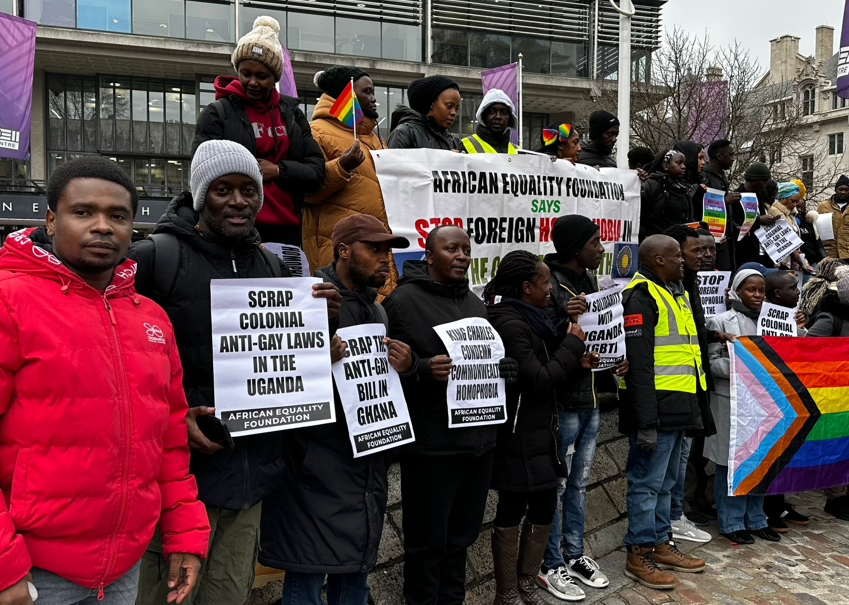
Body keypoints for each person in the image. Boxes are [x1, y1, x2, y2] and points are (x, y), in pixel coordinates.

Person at [130, 140, 342, 605]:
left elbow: (282, 361)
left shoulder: (272, 265)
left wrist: (315, 334)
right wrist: (170, 420)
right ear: (201, 195)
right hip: (178, 484)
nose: (238, 200)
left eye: (249, 189)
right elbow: (113, 359)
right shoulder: (153, 258)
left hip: (250, 483)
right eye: (223, 189)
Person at [0, 157, 210, 605]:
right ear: (51, 220)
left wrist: (185, 532)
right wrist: (4, 565)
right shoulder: (9, 301)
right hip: (32, 574)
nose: (102, 226)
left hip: (122, 569)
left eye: (118, 216)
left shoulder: (151, 318)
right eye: (83, 212)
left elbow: (170, 441)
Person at [259, 214, 413, 605]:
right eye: (374, 249)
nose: (385, 260)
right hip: (314, 471)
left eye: (388, 252)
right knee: (307, 583)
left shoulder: (377, 311)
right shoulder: (306, 300)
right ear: (344, 250)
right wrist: (314, 364)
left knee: (354, 582)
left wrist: (407, 367)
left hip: (363, 469)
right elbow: (274, 384)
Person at [382, 225, 516, 605]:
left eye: (466, 250)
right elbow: (382, 374)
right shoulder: (403, 303)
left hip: (478, 447)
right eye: (451, 249)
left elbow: (483, 363)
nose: (461, 256)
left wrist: (505, 371)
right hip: (433, 449)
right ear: (429, 256)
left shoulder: (475, 303)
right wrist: (420, 368)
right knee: (427, 546)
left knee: (461, 541)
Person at [485, 251, 592, 605]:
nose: (551, 290)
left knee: (545, 504)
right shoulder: (509, 322)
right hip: (516, 433)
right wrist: (573, 344)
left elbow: (550, 366)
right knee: (513, 507)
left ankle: (527, 583)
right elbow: (540, 378)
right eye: (545, 283)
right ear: (527, 287)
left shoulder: (536, 318)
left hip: (540, 431)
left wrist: (575, 358)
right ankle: (507, 592)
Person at [538, 216, 626, 601]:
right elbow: (538, 339)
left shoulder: (590, 282)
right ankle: (550, 562)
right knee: (558, 485)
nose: (602, 250)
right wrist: (563, 318)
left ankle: (574, 554)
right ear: (575, 247)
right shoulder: (550, 285)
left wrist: (614, 361)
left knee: (579, 482)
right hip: (565, 403)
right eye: (594, 243)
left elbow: (600, 336)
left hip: (590, 400)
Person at [619, 235, 706, 590]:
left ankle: (660, 541)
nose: (683, 262)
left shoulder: (676, 292)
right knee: (646, 484)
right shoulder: (640, 296)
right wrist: (646, 423)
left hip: (680, 406)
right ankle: (638, 552)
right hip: (655, 410)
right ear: (657, 260)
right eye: (676, 257)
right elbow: (639, 366)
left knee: (667, 483)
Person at [192, 16, 324, 247]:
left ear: (275, 77)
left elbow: (316, 171)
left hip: (288, 229)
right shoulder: (217, 112)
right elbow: (201, 172)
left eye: (261, 76)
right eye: (246, 73)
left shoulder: (293, 115)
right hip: (235, 226)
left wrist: (278, 170)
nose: (252, 82)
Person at [303, 65, 399, 297]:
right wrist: (341, 166)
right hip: (338, 254)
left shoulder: (376, 139)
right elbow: (307, 191)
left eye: (373, 92)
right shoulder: (316, 132)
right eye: (367, 92)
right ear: (347, 95)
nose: (374, 99)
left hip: (376, 251)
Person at [704, 269, 782, 545]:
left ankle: (757, 518)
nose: (757, 295)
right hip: (731, 401)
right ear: (736, 291)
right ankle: (731, 521)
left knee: (761, 460)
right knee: (731, 463)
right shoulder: (720, 321)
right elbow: (711, 364)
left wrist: (801, 324)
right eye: (751, 290)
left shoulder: (775, 320)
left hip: (766, 404)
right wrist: (744, 368)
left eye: (761, 290)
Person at [662, 225, 714, 546]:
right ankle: (665, 523)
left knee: (682, 458)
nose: (701, 256)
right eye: (695, 251)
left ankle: (675, 514)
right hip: (670, 391)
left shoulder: (688, 286)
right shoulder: (662, 290)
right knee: (664, 468)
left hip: (692, 382)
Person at [804, 271, 849, 521]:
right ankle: (836, 497)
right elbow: (810, 351)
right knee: (838, 447)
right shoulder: (831, 319)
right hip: (836, 395)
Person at [387, 76, 461, 150]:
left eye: (456, 108)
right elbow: (392, 161)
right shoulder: (404, 134)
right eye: (449, 106)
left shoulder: (455, 142)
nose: (454, 113)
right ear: (431, 103)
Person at [639, 150, 696, 239]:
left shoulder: (684, 188)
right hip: (659, 243)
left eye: (684, 164)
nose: (683, 167)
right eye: (679, 163)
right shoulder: (652, 184)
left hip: (681, 243)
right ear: (666, 166)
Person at [701, 139, 739, 271]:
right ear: (719, 156)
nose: (733, 159)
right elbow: (703, 207)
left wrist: (735, 226)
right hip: (712, 241)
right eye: (731, 155)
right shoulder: (704, 175)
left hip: (725, 240)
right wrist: (725, 201)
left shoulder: (722, 176)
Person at [732, 162, 775, 268]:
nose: (765, 184)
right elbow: (735, 223)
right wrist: (758, 221)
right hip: (746, 252)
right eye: (764, 181)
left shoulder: (760, 195)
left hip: (763, 250)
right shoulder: (736, 196)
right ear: (755, 180)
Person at [461, 89, 517, 154]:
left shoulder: (518, 152)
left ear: (510, 118)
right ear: (483, 115)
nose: (498, 116)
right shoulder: (464, 146)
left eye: (504, 112)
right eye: (492, 111)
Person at [766, 182, 807, 271]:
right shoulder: (774, 212)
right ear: (782, 198)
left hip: (791, 260)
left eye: (796, 201)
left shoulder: (791, 214)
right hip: (779, 261)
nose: (795, 205)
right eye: (792, 201)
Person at [816, 175, 849, 259]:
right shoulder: (823, 206)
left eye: (846, 190)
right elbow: (816, 229)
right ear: (835, 190)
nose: (843, 192)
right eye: (840, 189)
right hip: (829, 253)